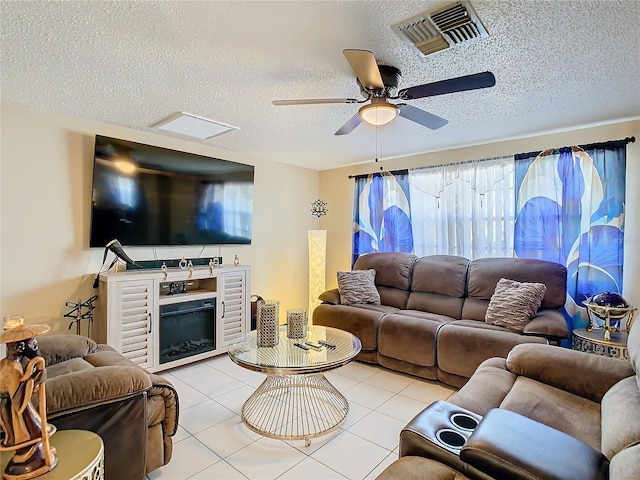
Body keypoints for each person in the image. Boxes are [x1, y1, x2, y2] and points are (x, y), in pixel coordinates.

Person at [0, 316, 57, 479]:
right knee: (30, 433)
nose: (35, 347)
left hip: (13, 408)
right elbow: (18, 402)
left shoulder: (12, 364)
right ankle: (28, 460)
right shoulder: (11, 369)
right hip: (12, 414)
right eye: (33, 344)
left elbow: (24, 388)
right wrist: (35, 378)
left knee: (35, 430)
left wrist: (33, 379)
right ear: (20, 346)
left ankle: (35, 456)